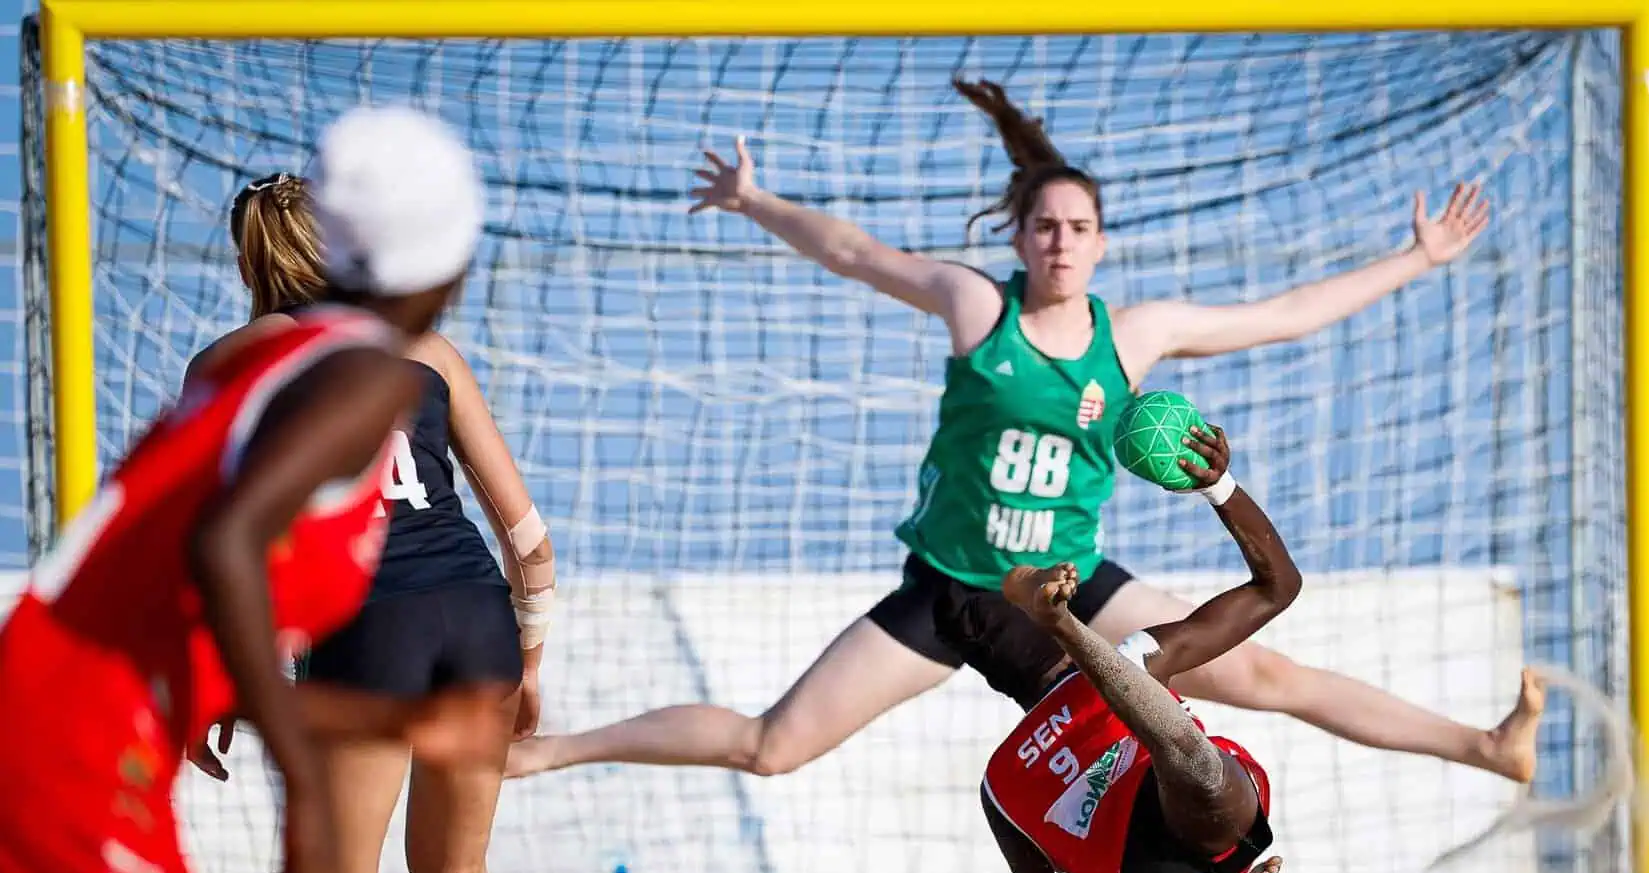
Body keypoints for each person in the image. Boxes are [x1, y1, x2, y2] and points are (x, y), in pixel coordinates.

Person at [504, 76, 1544, 790]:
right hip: (953, 591)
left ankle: (1486, 747)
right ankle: (546, 755)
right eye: (1045, 225)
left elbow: (1282, 313)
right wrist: (755, 198)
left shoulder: (1138, 337)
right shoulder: (974, 309)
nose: (1061, 241)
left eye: (1079, 227)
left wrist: (1418, 261)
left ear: (1100, 243)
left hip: (1075, 590)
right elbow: (856, 252)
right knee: (772, 747)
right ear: (1019, 235)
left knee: (1269, 677)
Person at [0, 106, 508, 873]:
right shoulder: (368, 377)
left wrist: (381, 723)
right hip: (74, 752)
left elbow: (186, 564)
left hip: (62, 719)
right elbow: (222, 543)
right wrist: (305, 802)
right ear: (451, 259)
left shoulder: (250, 370)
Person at [185, 171, 628, 873]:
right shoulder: (425, 352)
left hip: (364, 627)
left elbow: (212, 544)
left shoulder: (230, 363)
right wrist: (531, 661)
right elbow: (529, 538)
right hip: (473, 615)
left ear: (253, 260)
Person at [944, 423, 1362, 873]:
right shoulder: (1139, 651)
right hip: (1194, 799)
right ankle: (1085, 646)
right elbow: (1276, 586)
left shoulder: (999, 786)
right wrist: (1217, 486)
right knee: (1184, 757)